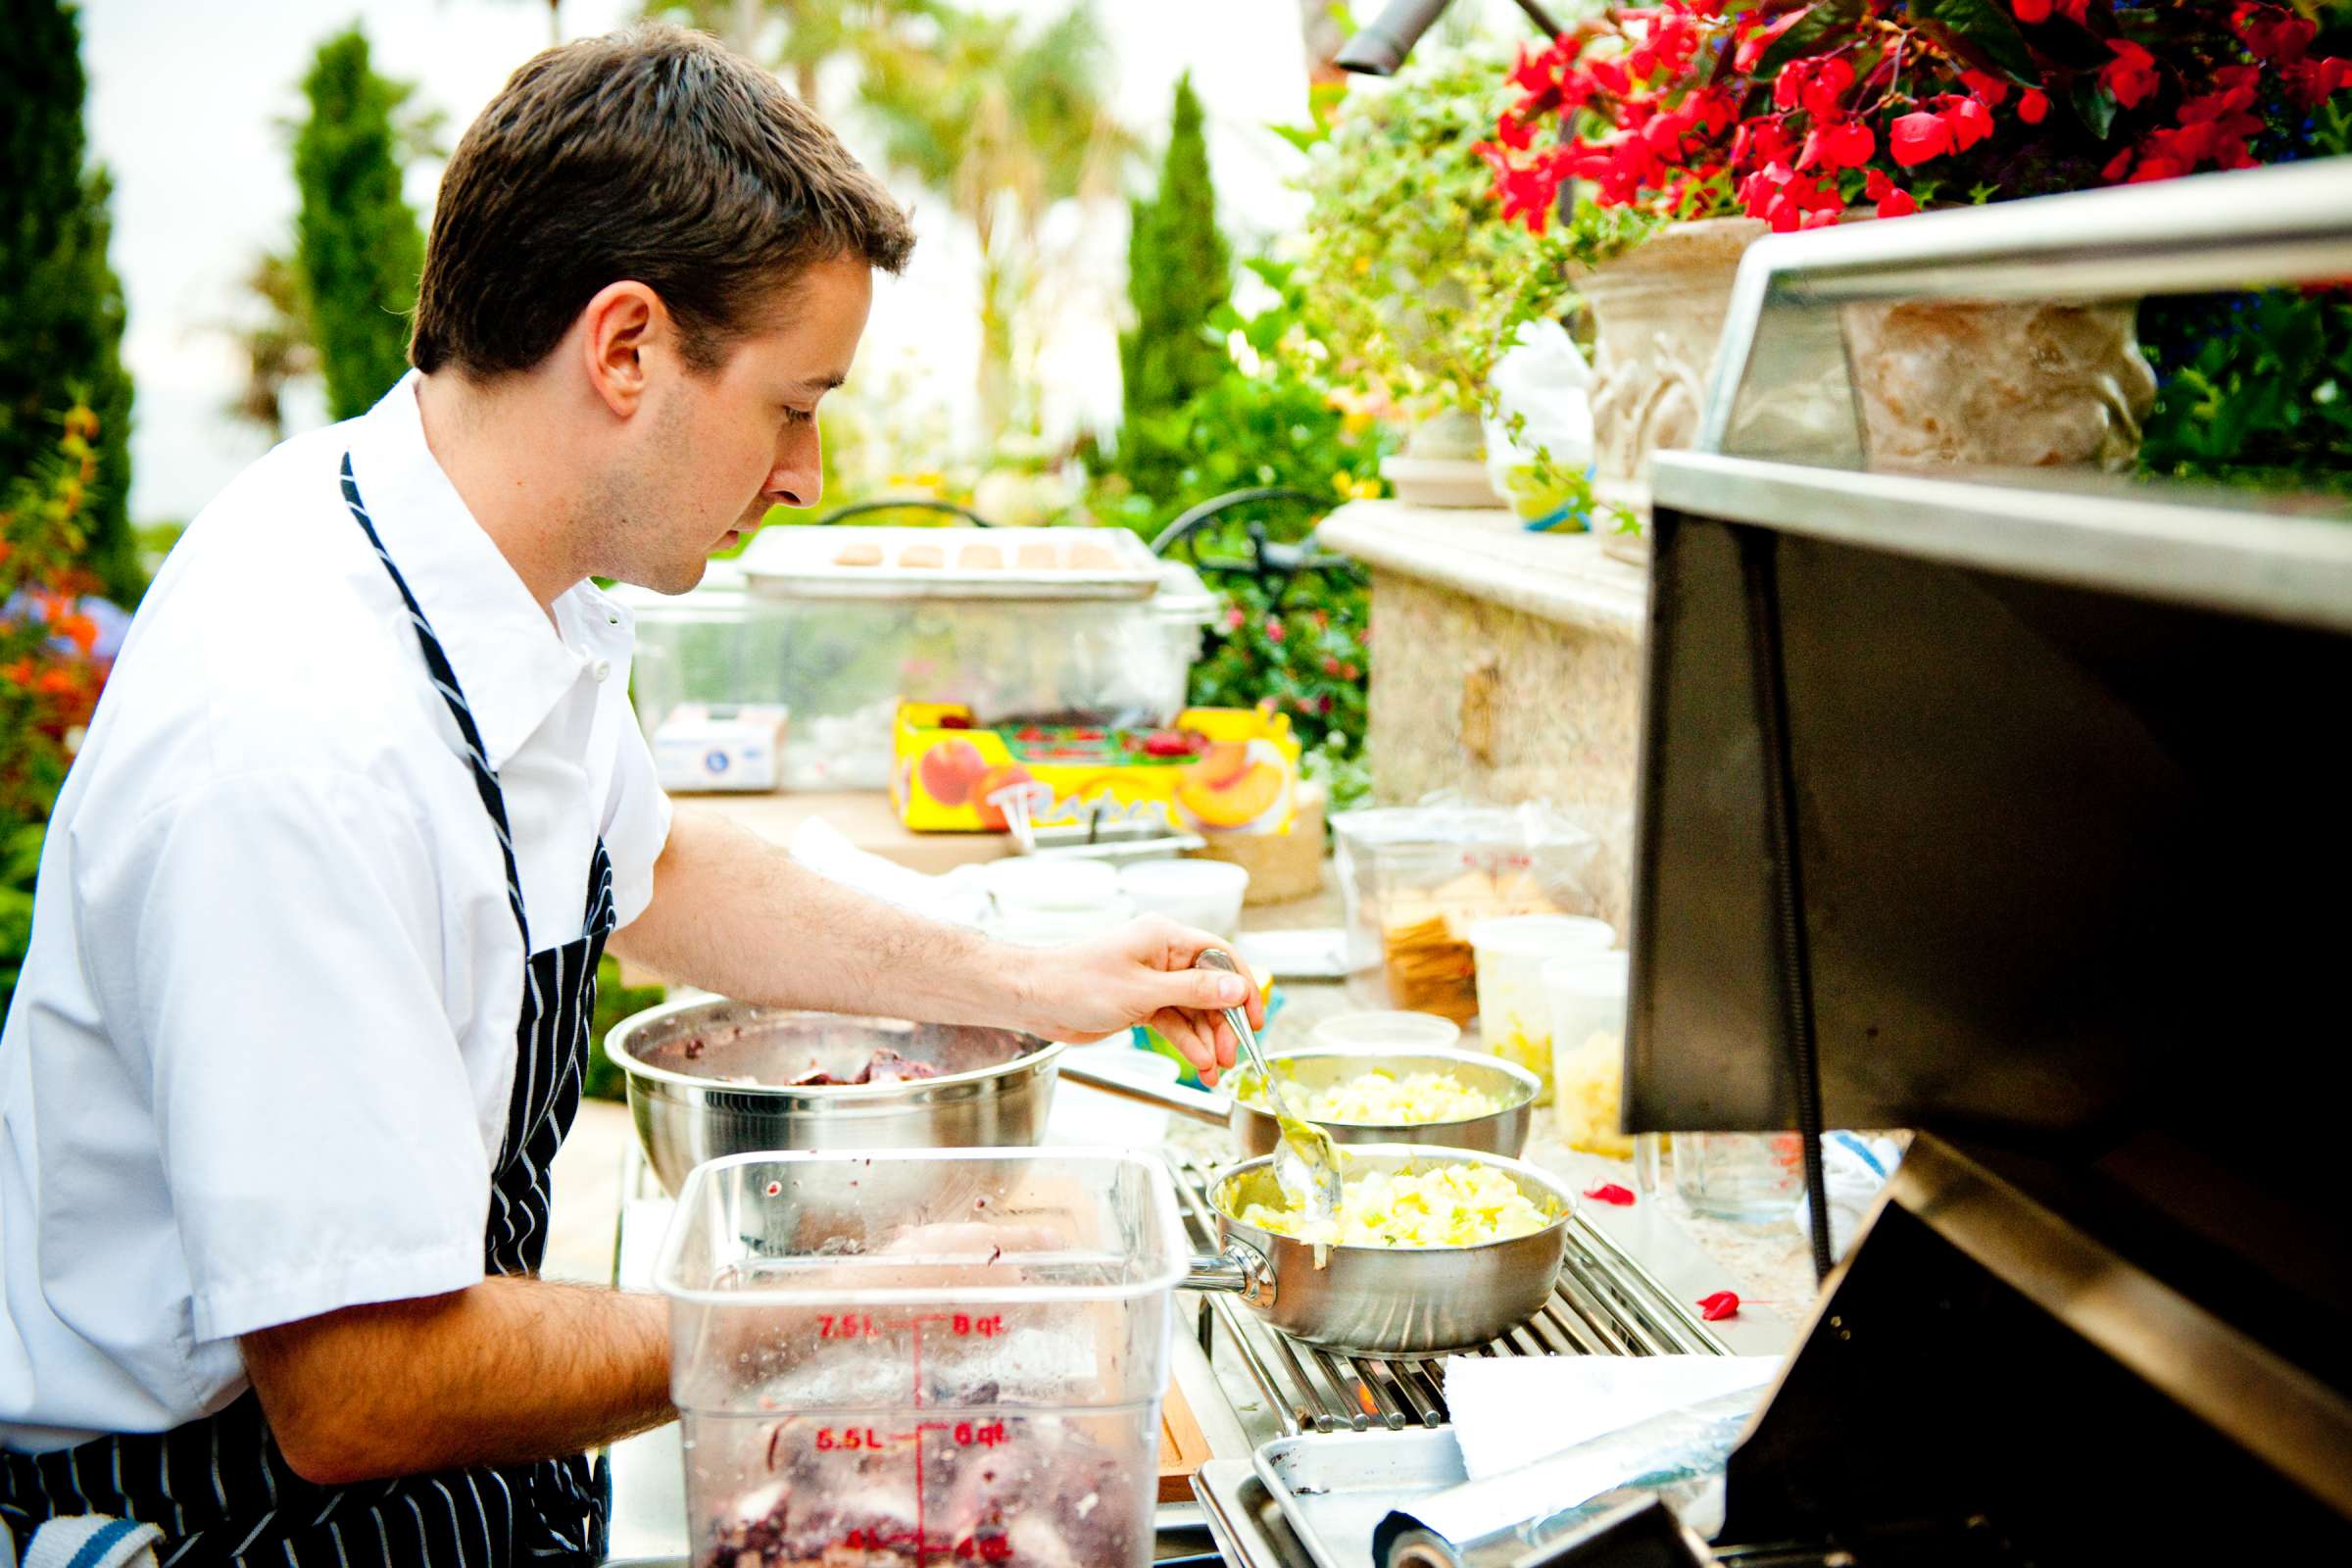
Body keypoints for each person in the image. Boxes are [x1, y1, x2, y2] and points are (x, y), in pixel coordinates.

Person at [0, 24, 1258, 1565]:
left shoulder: (479, 561)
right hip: (219, 1510)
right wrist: (868, 1308)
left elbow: (650, 871)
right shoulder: (293, 743)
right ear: (626, 348)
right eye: (794, 404)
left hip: (438, 1464)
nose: (806, 468)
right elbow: (357, 1387)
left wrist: (1027, 979)